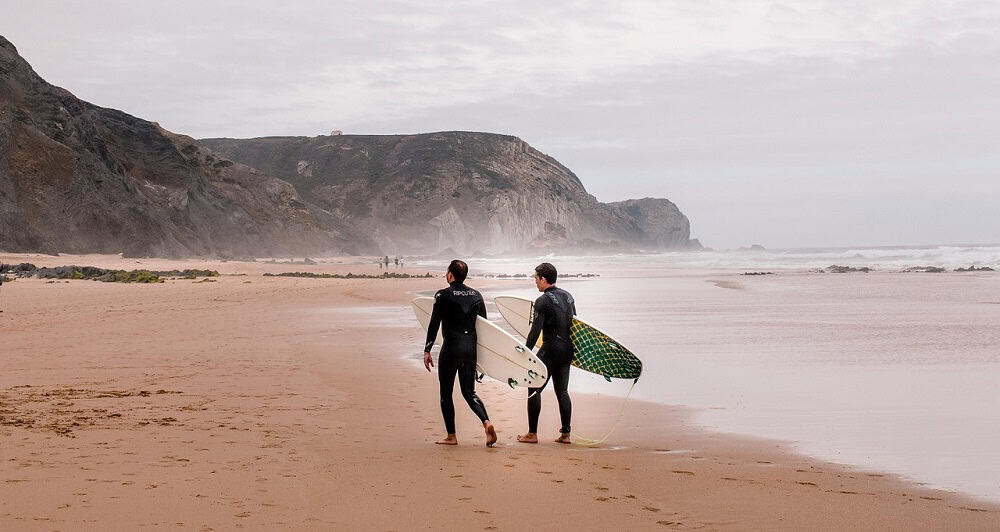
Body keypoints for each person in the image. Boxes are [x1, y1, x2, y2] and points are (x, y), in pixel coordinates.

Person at [424, 259, 497, 447]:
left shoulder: (443, 295)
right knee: (469, 392)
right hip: (469, 350)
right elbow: (485, 328)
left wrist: (427, 349)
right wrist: (483, 360)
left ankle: (451, 436)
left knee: (446, 394)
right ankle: (486, 422)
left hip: (451, 349)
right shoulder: (476, 296)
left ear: (450, 275)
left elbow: (434, 324)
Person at [518, 262, 576, 444]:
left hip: (550, 350)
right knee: (562, 391)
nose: (535, 282)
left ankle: (532, 434)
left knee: (534, 389)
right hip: (567, 350)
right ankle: (566, 434)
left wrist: (525, 353)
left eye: (536, 278)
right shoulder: (568, 297)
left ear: (543, 279)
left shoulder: (542, 301)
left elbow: (535, 331)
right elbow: (576, 327)